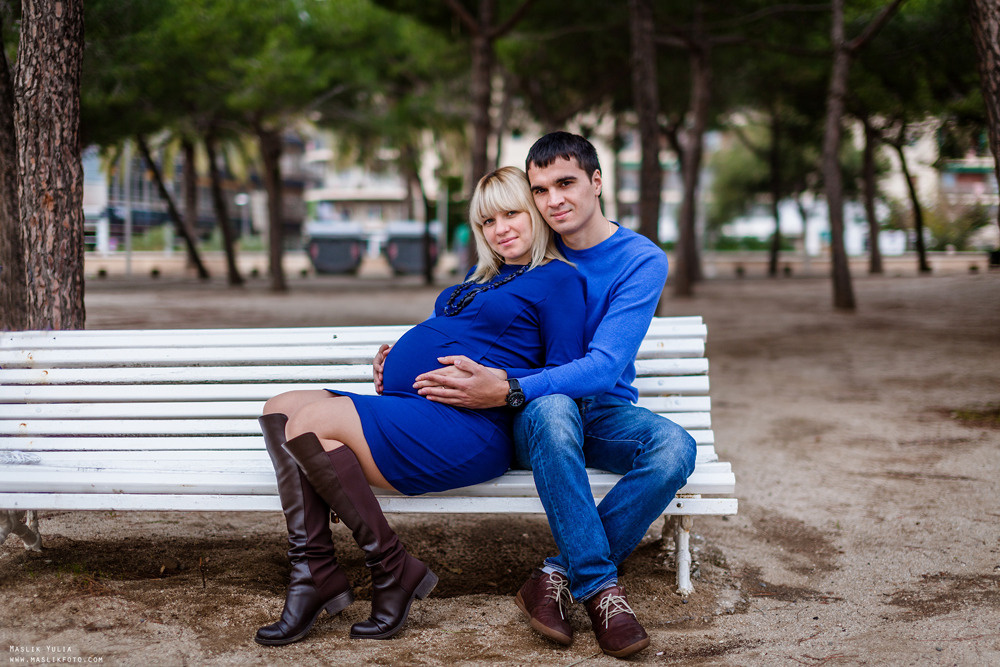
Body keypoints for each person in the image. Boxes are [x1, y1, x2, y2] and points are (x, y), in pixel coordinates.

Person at [254, 166, 587, 647]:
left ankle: (389, 570)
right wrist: (398, 359)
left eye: (512, 213)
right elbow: (448, 336)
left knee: (312, 422)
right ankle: (316, 573)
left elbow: (563, 375)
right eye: (488, 221)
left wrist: (502, 384)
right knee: (281, 408)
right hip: (417, 410)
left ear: (537, 211)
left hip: (471, 426)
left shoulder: (557, 280)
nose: (501, 229)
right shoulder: (479, 280)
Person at [413, 132, 697, 659]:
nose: (553, 200)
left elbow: (605, 365)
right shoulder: (527, 244)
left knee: (675, 449)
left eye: (565, 183)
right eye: (540, 190)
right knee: (553, 406)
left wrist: (512, 384)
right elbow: (469, 317)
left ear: (596, 182)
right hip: (529, 415)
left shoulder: (640, 260)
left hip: (599, 407)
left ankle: (554, 576)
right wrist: (406, 353)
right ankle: (601, 590)